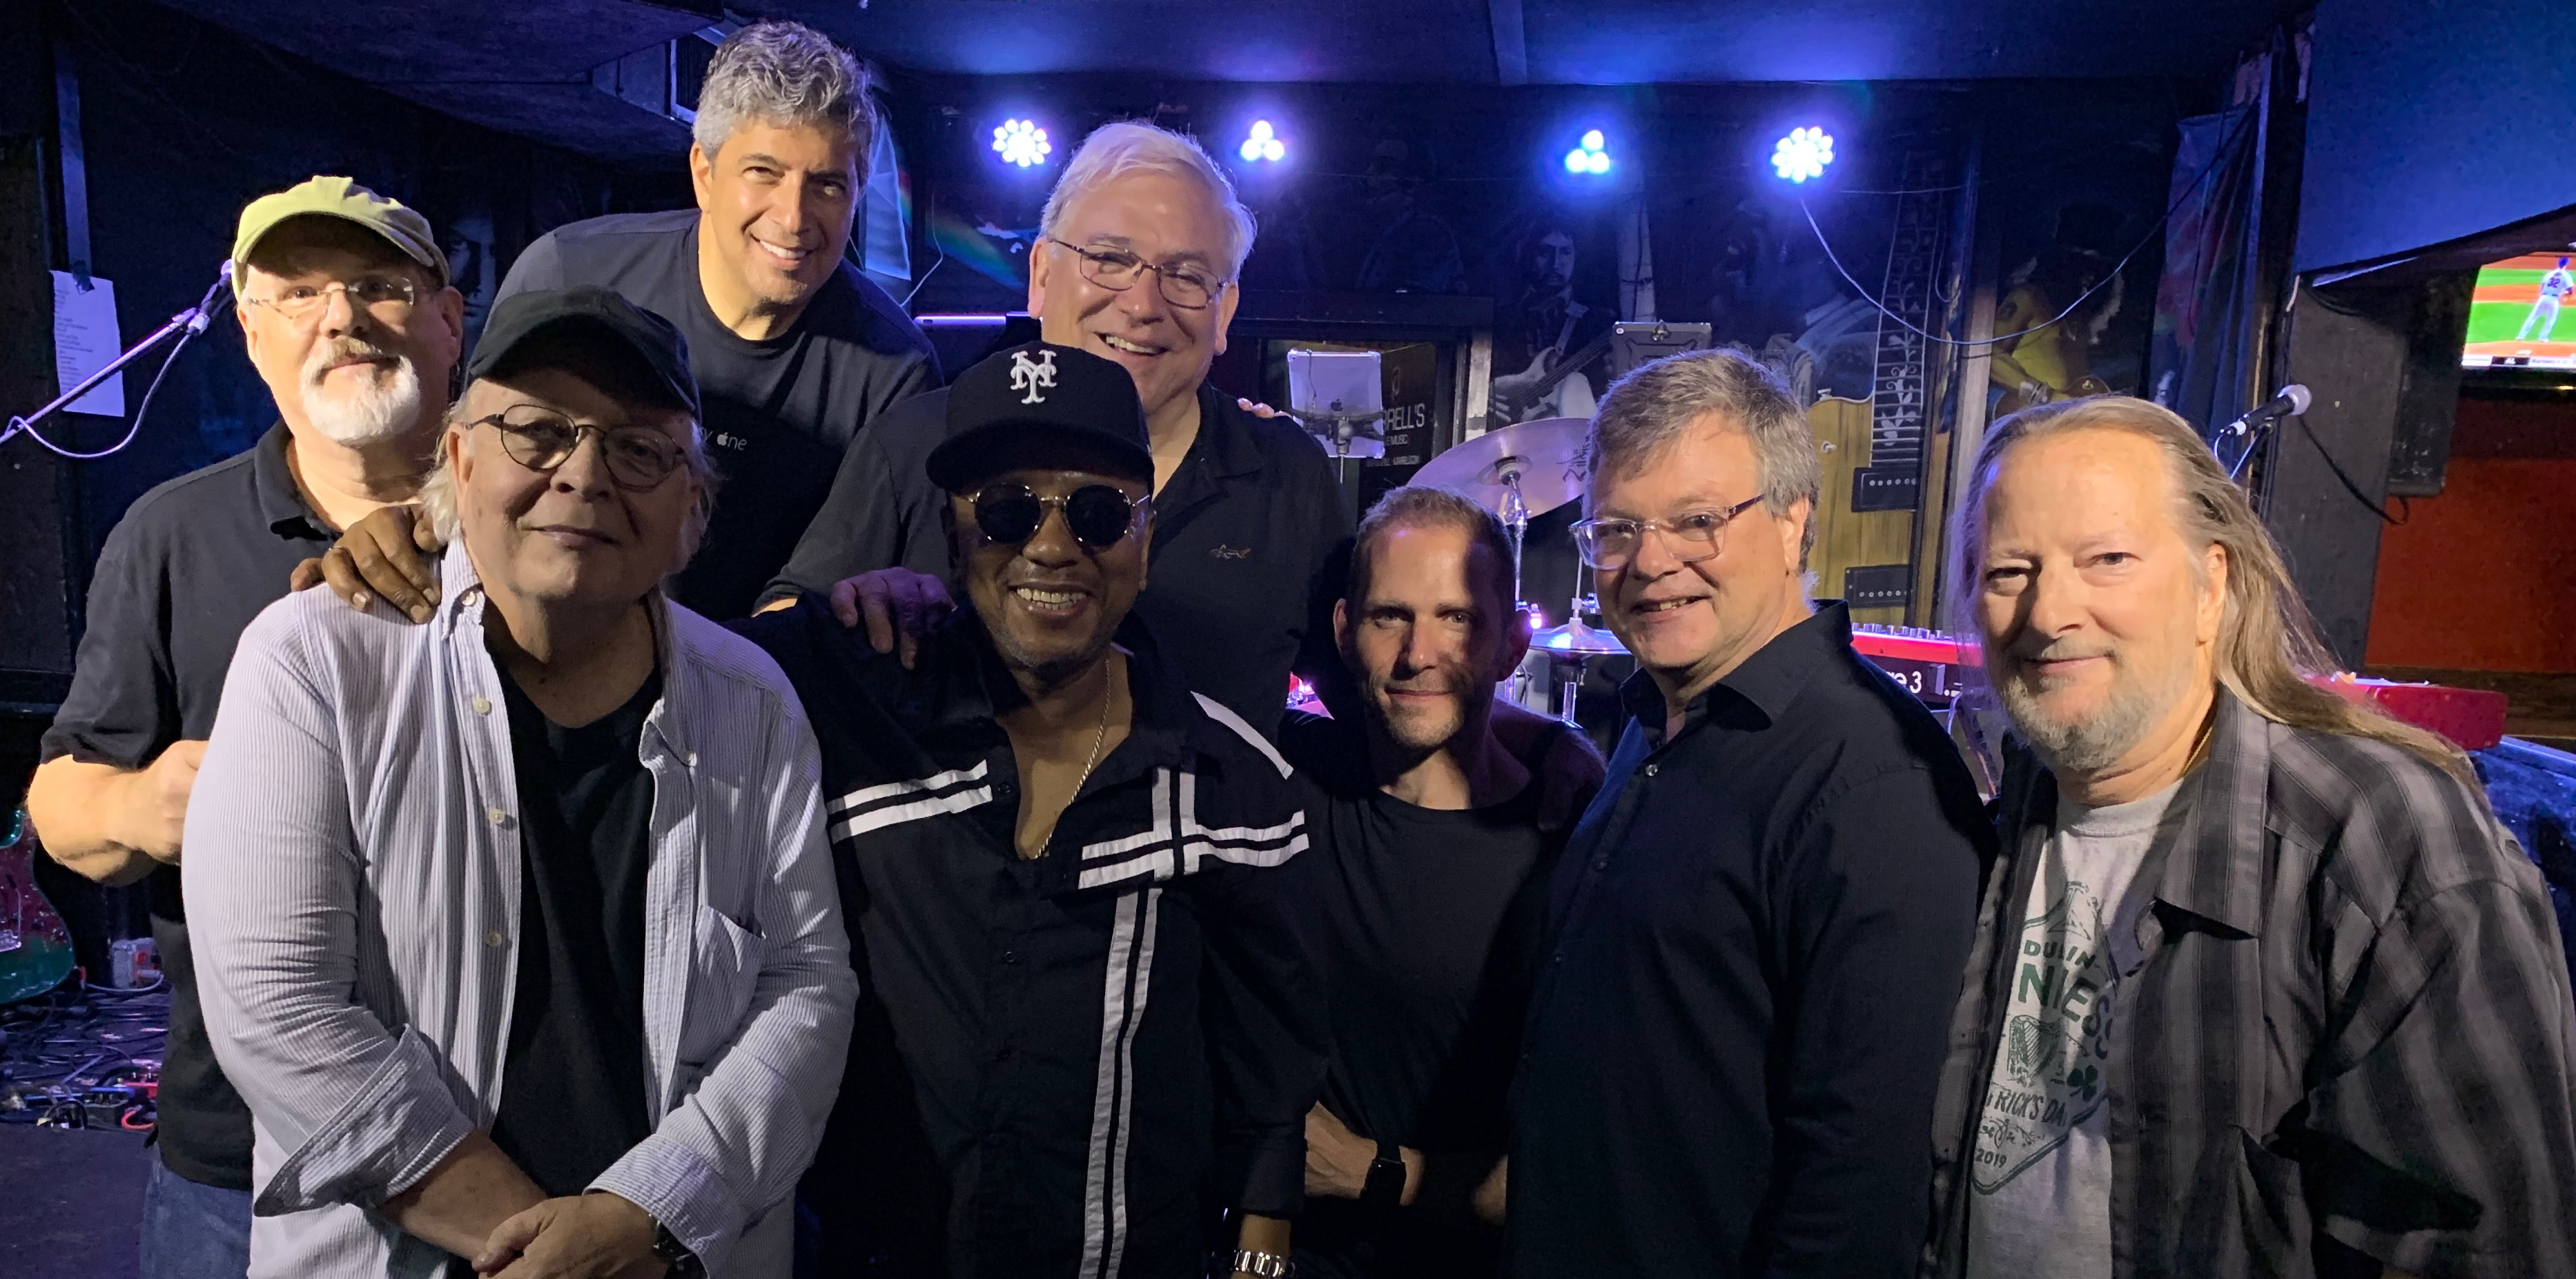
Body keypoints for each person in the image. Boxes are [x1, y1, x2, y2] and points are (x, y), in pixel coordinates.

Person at [184, 286, 857, 1278]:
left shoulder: (753, 702)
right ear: (458, 461)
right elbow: (276, 1005)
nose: (583, 474)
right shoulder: (315, 662)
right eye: (538, 431)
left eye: (640, 450)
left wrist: (650, 1214)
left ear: (693, 511)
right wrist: (550, 1251)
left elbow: (806, 982)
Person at [1922, 396, 2576, 1278]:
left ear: (2211, 585)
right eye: (2010, 571)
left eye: (2107, 559)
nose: (2050, 613)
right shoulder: (2006, 818)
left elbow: (2479, 1247)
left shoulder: (2385, 840)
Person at [739, 342, 1323, 1279]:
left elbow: (1268, 1074)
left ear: (1144, 538)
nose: (1051, 547)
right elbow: (663, 663)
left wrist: (1262, 1252)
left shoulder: (1232, 782)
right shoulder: (850, 705)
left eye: (1098, 512)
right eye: (1008, 510)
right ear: (953, 534)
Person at [23, 176, 464, 1279]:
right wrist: (149, 802)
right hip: (242, 1161)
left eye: (379, 285)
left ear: (450, 318)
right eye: (299, 292)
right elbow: (63, 804)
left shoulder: (538, 522)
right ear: (252, 332)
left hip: (502, 1128)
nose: (342, 316)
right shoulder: (169, 534)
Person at [1505, 349, 1990, 1278]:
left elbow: (1859, 1186)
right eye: (1618, 528)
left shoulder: (1873, 782)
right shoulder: (1661, 718)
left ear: (1793, 521)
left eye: (1698, 522)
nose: (1652, 563)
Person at [760, 119, 1348, 736]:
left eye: (1185, 276)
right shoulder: (916, 441)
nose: (1143, 305)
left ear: (1224, 312)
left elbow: (1369, 696)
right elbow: (772, 653)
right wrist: (851, 610)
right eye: (1110, 259)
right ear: (1041, 275)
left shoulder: (1290, 476)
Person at [489, 20, 938, 618]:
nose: (794, 218)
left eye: (827, 185)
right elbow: (477, 492)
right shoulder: (567, 274)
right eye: (764, 173)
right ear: (704, 173)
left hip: (757, 666)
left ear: (858, 193)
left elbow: (805, 609)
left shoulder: (895, 371)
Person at [1282, 486, 1603, 1278]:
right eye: (1390, 615)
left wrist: (1371, 1170)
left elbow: (1580, 1169)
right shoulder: (1290, 773)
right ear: (1345, 630)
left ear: (1512, 646)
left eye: (1457, 618)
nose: (1418, 651)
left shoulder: (1562, 845)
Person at [2518, 255, 2572, 342]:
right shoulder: (2566, 275)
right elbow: (2570, 291)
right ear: (2567, 264)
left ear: (2558, 263)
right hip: (2554, 299)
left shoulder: (2549, 274)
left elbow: (2543, 287)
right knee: (2551, 319)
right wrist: (2564, 294)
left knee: (2533, 317)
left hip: (2543, 297)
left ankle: (2521, 336)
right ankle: (2543, 338)